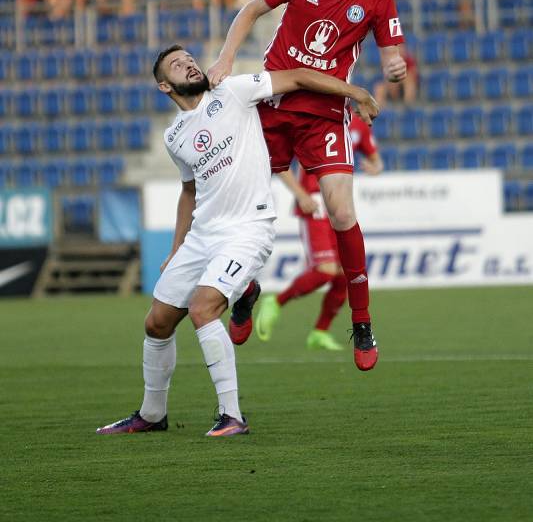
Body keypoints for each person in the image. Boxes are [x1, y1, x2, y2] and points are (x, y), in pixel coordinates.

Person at [96, 45, 378, 437]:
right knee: (157, 324)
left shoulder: (234, 91)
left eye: (190, 59)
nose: (189, 64)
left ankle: (232, 416)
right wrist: (177, 247)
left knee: (202, 309)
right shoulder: (174, 136)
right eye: (178, 64)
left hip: (248, 228)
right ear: (164, 86)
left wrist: (354, 91)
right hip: (202, 235)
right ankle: (152, 414)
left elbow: (296, 77)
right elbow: (189, 192)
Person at [208, 0, 410, 371]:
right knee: (239, 205)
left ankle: (361, 322)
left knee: (342, 212)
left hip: (325, 114)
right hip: (273, 104)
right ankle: (244, 292)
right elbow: (251, 10)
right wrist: (225, 58)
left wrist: (394, 63)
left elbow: (391, 49)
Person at [256, 116, 383, 351]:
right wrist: (301, 194)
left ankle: (320, 331)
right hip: (314, 205)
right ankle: (275, 301)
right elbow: (279, 164)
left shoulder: (357, 125)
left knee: (344, 276)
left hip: (339, 207)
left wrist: (373, 168)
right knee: (325, 271)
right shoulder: (312, 116)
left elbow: (376, 162)